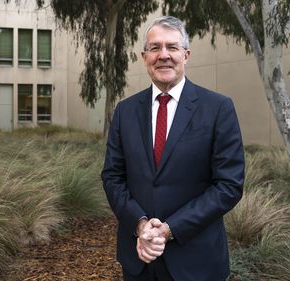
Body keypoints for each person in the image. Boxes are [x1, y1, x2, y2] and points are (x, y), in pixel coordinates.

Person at [101, 15, 245, 281]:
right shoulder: (125, 111)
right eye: (155, 48)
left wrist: (168, 230)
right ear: (144, 57)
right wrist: (141, 225)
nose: (163, 55)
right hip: (138, 258)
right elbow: (112, 177)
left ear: (186, 55)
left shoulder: (218, 108)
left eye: (172, 47)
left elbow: (229, 185)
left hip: (197, 261)